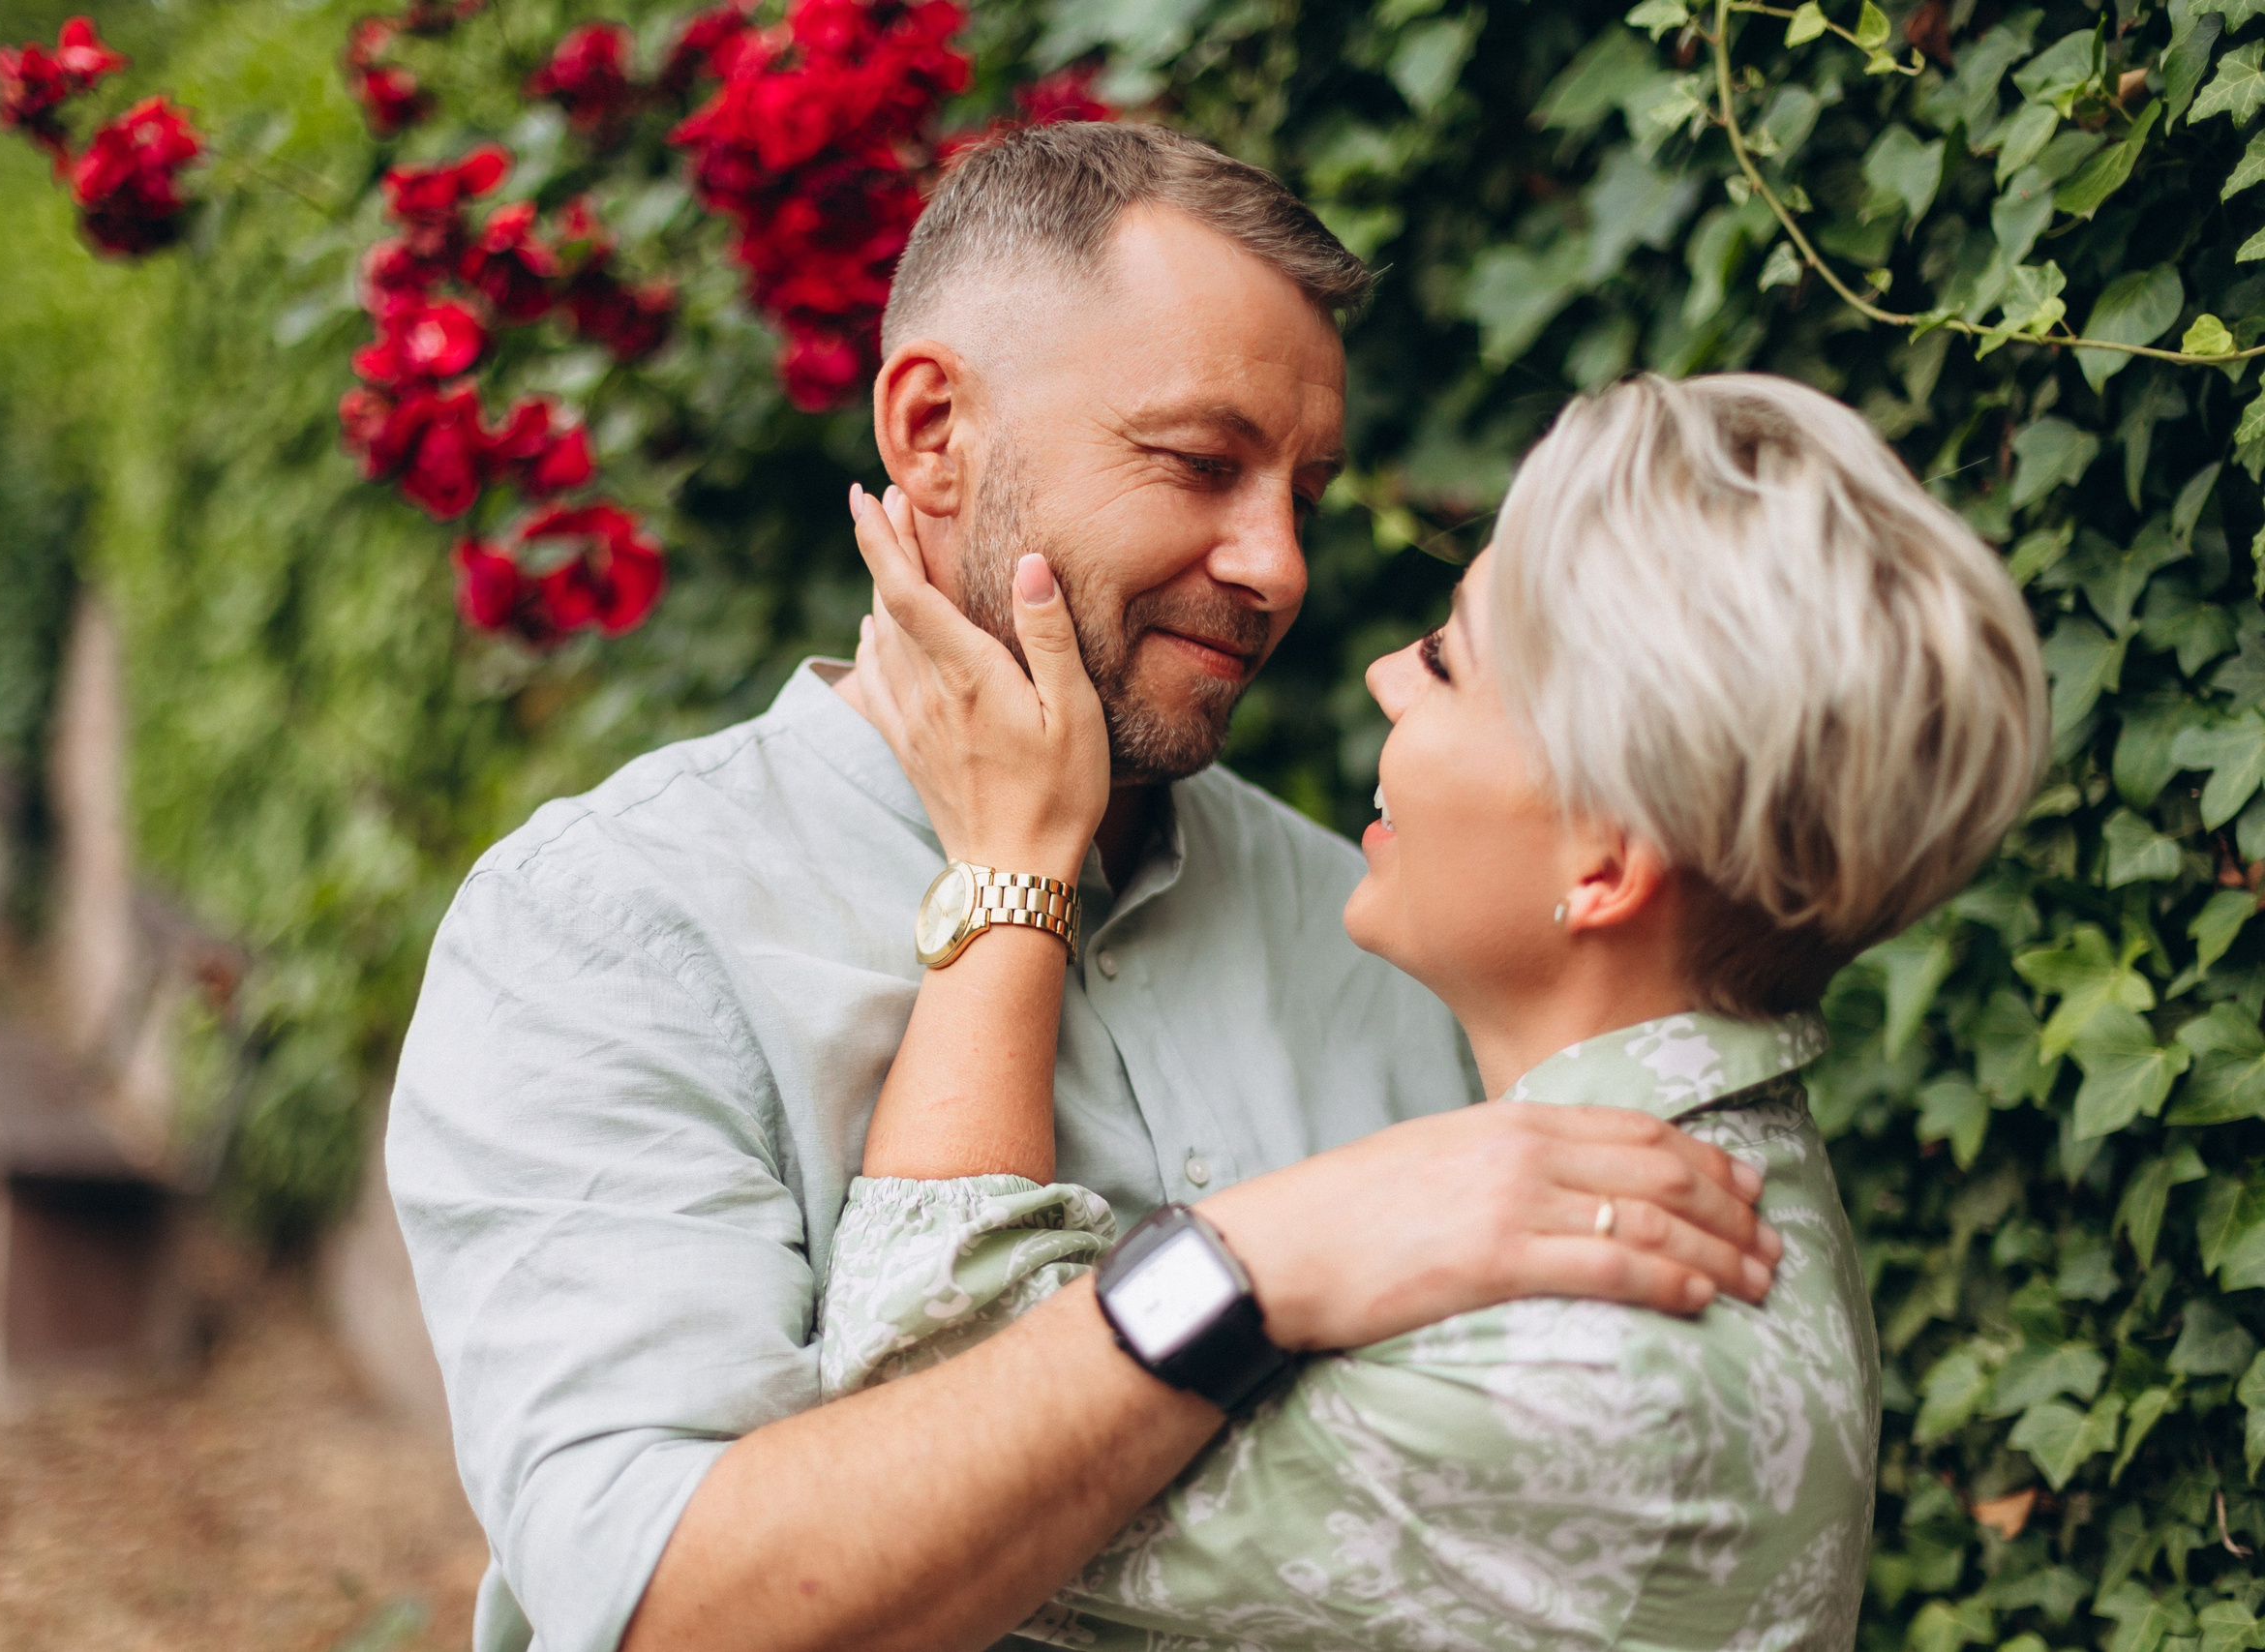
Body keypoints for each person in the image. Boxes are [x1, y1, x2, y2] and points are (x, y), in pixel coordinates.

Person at [387, 123, 1790, 1652]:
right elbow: (676, 1611)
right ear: (933, 435)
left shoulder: (1382, 931)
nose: (1277, 565)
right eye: (1200, 463)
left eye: (1304, 494)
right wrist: (1254, 1268)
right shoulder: (610, 924)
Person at [822, 371, 2049, 1647]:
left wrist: (1012, 865)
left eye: (1450, 664)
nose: (1382, 677)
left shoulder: (1579, 1370)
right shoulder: (1711, 1182)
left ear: (1605, 864)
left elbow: (933, 1458)